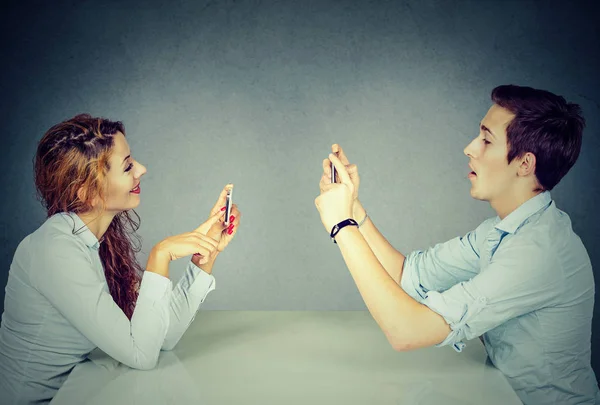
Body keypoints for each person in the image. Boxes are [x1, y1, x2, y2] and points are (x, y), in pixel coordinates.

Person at [315, 85, 599, 404]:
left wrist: (342, 226)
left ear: (525, 165)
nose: (469, 148)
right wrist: (353, 207)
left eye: (486, 140)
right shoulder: (502, 231)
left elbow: (407, 332)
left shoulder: (538, 252)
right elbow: (410, 275)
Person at [0, 114, 241, 404]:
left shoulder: (97, 243)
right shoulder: (55, 251)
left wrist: (207, 252)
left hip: (82, 389)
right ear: (87, 191)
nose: (141, 169)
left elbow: (160, 338)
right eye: (127, 166)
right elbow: (141, 354)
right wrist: (159, 254)